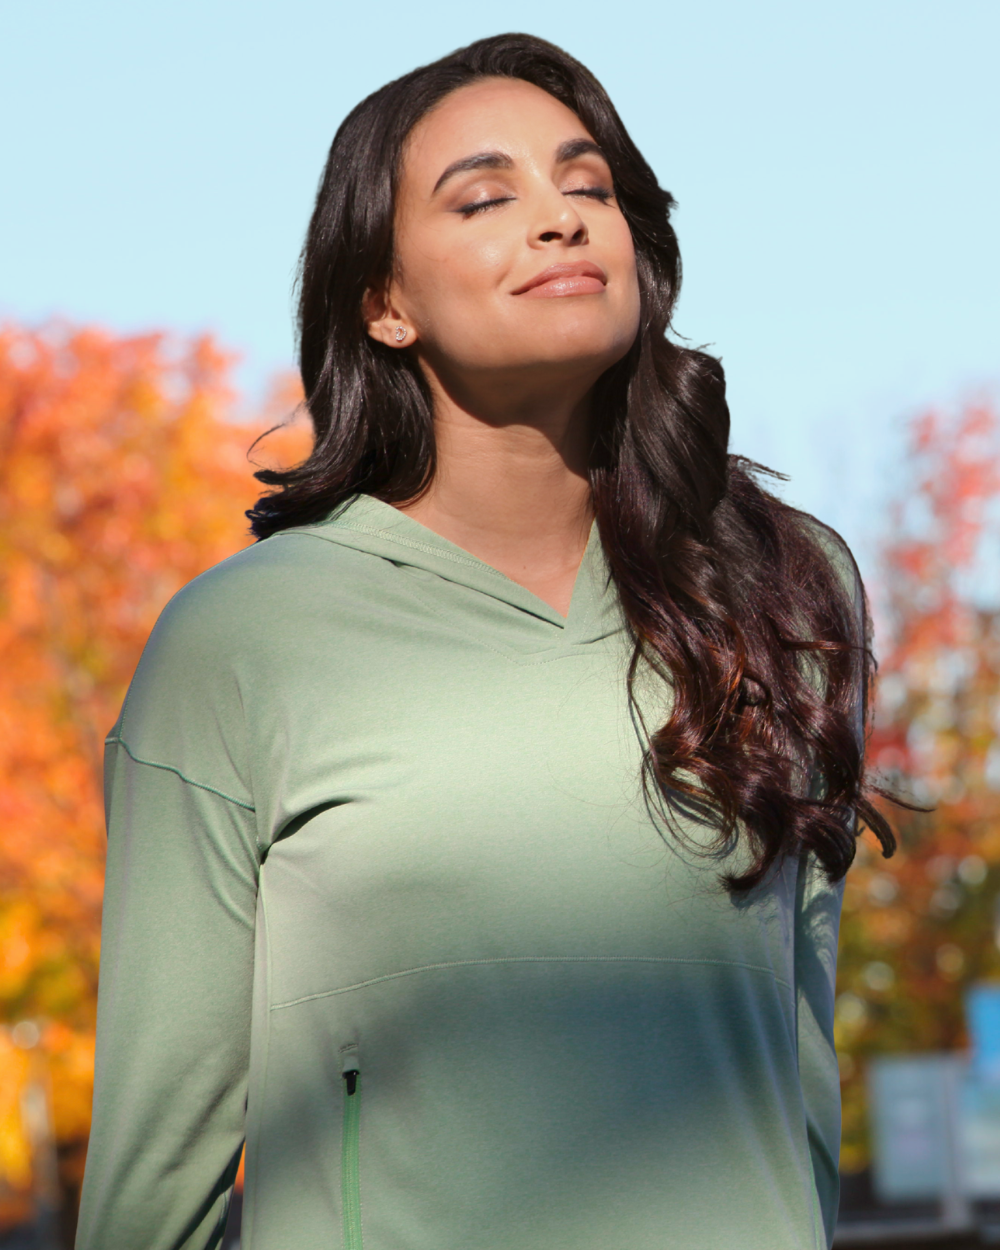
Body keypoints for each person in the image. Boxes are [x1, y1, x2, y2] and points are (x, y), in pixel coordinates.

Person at [76, 32, 894, 1250]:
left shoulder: (782, 584)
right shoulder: (242, 640)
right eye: (486, 196)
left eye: (587, 185)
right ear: (385, 304)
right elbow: (156, 1173)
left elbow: (799, 1068)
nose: (561, 219)